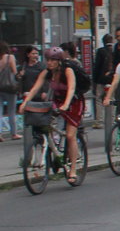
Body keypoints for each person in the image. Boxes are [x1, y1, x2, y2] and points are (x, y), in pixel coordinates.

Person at [19, 46, 83, 184]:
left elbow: (71, 88)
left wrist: (66, 104)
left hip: (74, 102)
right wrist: (25, 103)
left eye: (53, 60)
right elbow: (35, 87)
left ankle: (73, 169)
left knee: (71, 135)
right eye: (48, 60)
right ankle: (55, 152)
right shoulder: (47, 72)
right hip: (57, 101)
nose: (49, 63)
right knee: (45, 124)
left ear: (59, 61)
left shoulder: (67, 70)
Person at [0, 41, 18, 141]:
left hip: (0, 87)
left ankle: (0, 134)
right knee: (11, 110)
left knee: (0, 111)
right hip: (10, 87)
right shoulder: (9, 57)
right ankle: (14, 133)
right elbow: (15, 72)